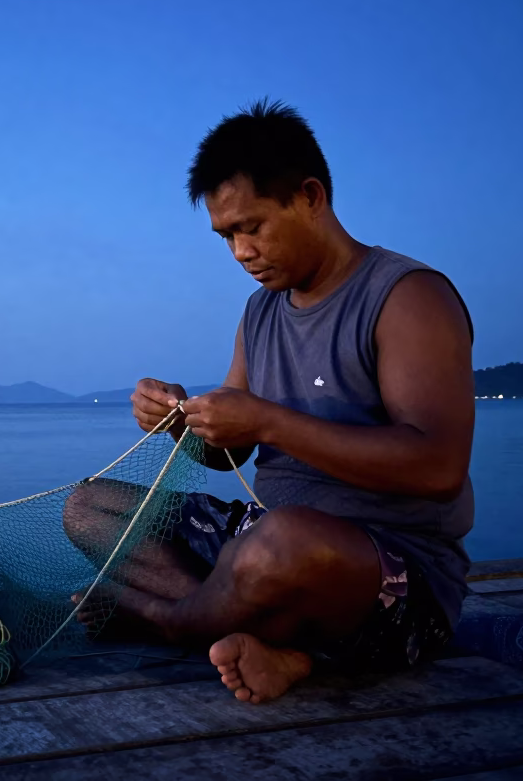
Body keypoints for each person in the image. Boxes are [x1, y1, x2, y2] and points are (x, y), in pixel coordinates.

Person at [62, 99, 475, 704]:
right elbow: (230, 453)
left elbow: (439, 469)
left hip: (391, 576)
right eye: (225, 235)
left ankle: (168, 621)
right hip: (263, 543)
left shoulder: (408, 297)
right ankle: (273, 643)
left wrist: (271, 422)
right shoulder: (260, 312)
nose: (239, 252)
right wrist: (179, 423)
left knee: (284, 544)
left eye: (251, 226)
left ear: (310, 197)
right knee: (89, 506)